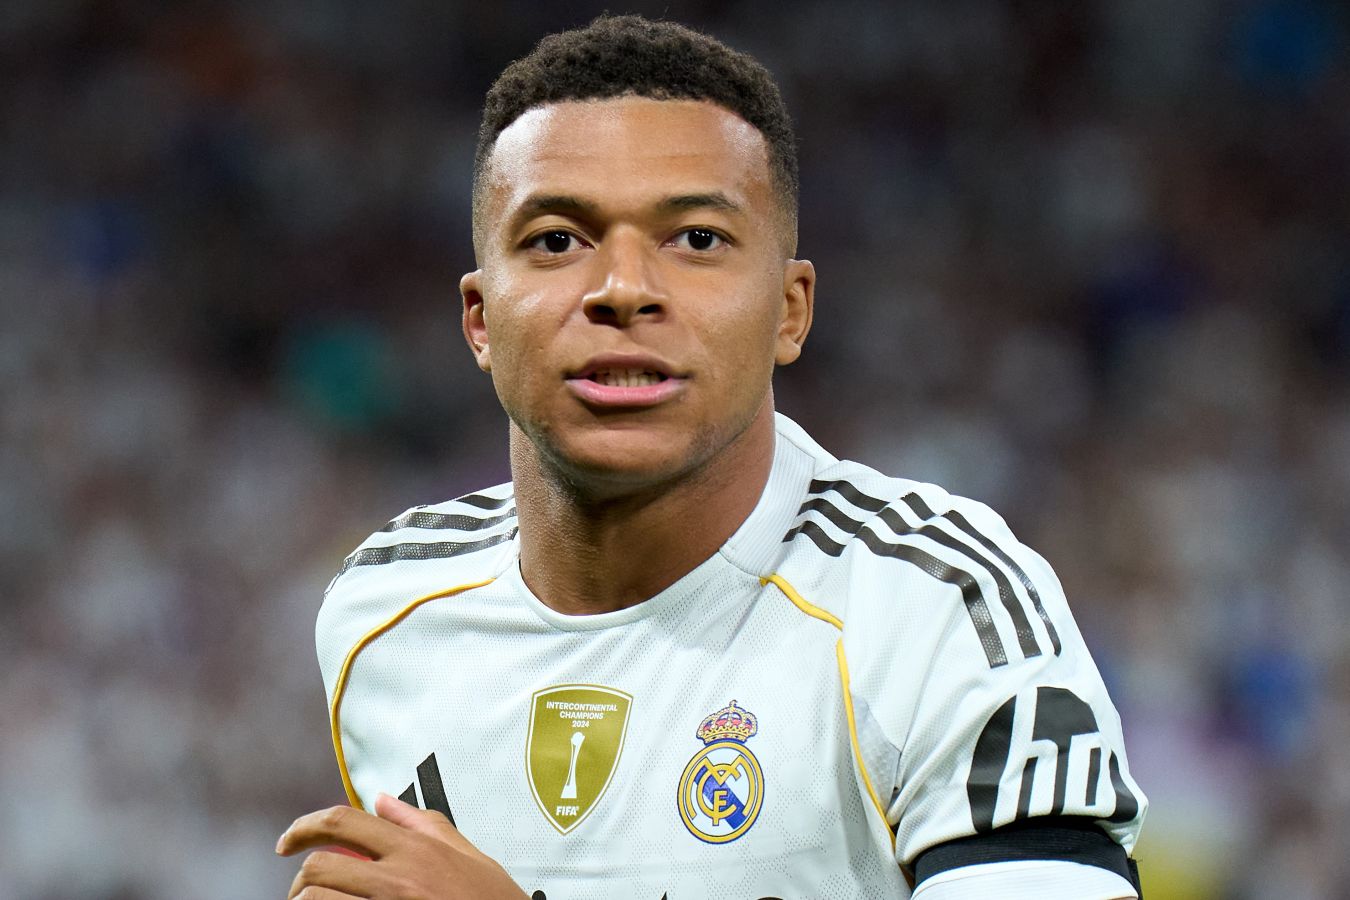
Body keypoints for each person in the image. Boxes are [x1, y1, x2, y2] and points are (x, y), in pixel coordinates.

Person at [277, 15, 1147, 900]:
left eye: (696, 239)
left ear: (790, 310)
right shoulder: (385, 611)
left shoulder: (938, 608)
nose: (623, 290)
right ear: (479, 321)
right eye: (556, 240)